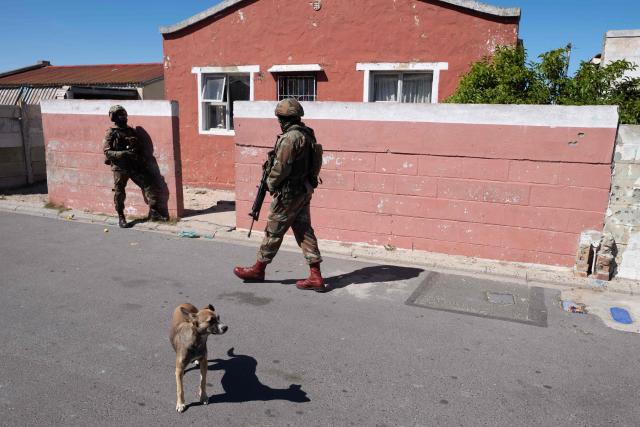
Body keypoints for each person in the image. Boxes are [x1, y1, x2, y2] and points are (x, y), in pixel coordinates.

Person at [233, 98, 325, 292]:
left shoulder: (290, 139)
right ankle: (315, 275)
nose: (279, 121)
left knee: (273, 230)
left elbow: (280, 168)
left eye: (280, 118)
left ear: (284, 119)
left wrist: (270, 184)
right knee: (304, 230)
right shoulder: (307, 134)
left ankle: (258, 269)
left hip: (288, 194)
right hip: (303, 190)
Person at [103, 105, 167, 228]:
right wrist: (123, 153)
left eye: (124, 114)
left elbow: (139, 147)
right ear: (114, 117)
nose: (124, 117)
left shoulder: (131, 131)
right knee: (119, 192)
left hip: (133, 165)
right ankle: (121, 217)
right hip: (120, 167)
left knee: (149, 184)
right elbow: (107, 152)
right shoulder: (111, 132)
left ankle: (154, 212)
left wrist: (135, 148)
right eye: (120, 115)